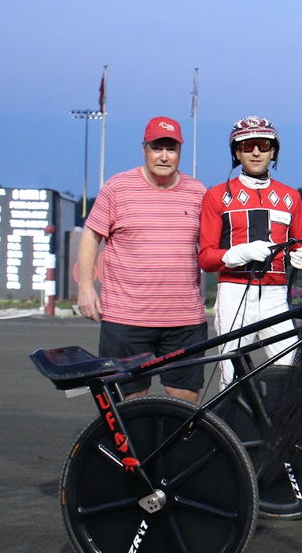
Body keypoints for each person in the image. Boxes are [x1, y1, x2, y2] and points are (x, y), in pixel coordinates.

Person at [74, 116, 208, 402]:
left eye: (171, 149)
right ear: (144, 148)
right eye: (157, 147)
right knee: (130, 399)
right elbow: (91, 236)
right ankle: (136, 449)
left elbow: (213, 248)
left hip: (184, 319)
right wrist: (85, 288)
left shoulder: (198, 192)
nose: (163, 156)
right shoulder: (117, 188)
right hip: (127, 317)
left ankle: (174, 449)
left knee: (184, 398)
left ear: (179, 152)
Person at [198, 116, 302, 389]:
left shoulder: (290, 197)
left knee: (292, 370)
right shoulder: (216, 196)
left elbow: (299, 245)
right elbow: (206, 258)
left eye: (263, 145)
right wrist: (241, 253)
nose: (256, 152)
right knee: (231, 376)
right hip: (234, 293)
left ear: (274, 151)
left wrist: (301, 256)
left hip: (275, 295)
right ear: (237, 153)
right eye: (248, 146)